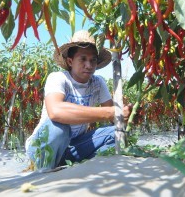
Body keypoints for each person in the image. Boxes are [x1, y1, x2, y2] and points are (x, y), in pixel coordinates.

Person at [25, 30, 132, 171]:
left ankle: (77, 168)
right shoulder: (58, 78)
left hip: (73, 147)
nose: (89, 65)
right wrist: (110, 112)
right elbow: (55, 112)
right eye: (83, 59)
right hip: (44, 146)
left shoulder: (98, 83)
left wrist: (125, 114)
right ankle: (42, 168)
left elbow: (115, 119)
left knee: (116, 133)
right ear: (70, 61)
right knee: (59, 129)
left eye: (93, 60)